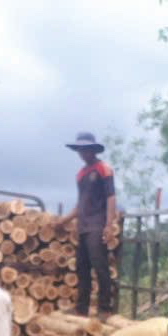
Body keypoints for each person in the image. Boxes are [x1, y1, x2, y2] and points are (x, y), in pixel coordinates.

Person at [65, 131, 117, 317]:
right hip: (84, 227)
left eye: (86, 149)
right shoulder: (81, 174)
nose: (82, 153)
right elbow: (81, 203)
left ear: (93, 150)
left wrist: (109, 225)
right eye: (80, 149)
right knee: (82, 267)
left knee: (100, 266)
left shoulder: (104, 169)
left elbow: (111, 197)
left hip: (97, 224)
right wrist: (65, 219)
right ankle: (82, 308)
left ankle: (104, 308)